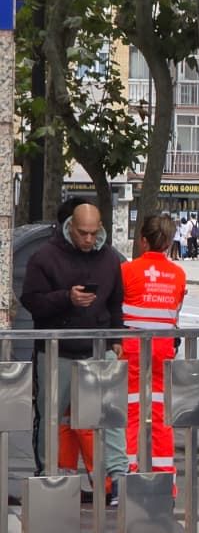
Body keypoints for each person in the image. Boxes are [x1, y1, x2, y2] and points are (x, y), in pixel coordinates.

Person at [20, 199, 127, 502]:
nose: (89, 239)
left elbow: (115, 302)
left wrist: (117, 338)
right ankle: (47, 474)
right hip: (57, 352)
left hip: (98, 348)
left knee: (109, 416)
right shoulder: (45, 257)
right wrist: (66, 298)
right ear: (71, 228)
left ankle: (116, 475)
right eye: (83, 233)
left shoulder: (109, 259)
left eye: (94, 233)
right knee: (50, 415)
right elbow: (32, 300)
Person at [121, 214, 187, 478]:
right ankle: (164, 476)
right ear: (170, 242)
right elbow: (175, 312)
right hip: (164, 348)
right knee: (161, 414)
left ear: (143, 241)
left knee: (130, 412)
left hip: (131, 347)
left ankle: (124, 476)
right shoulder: (178, 274)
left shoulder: (127, 270)